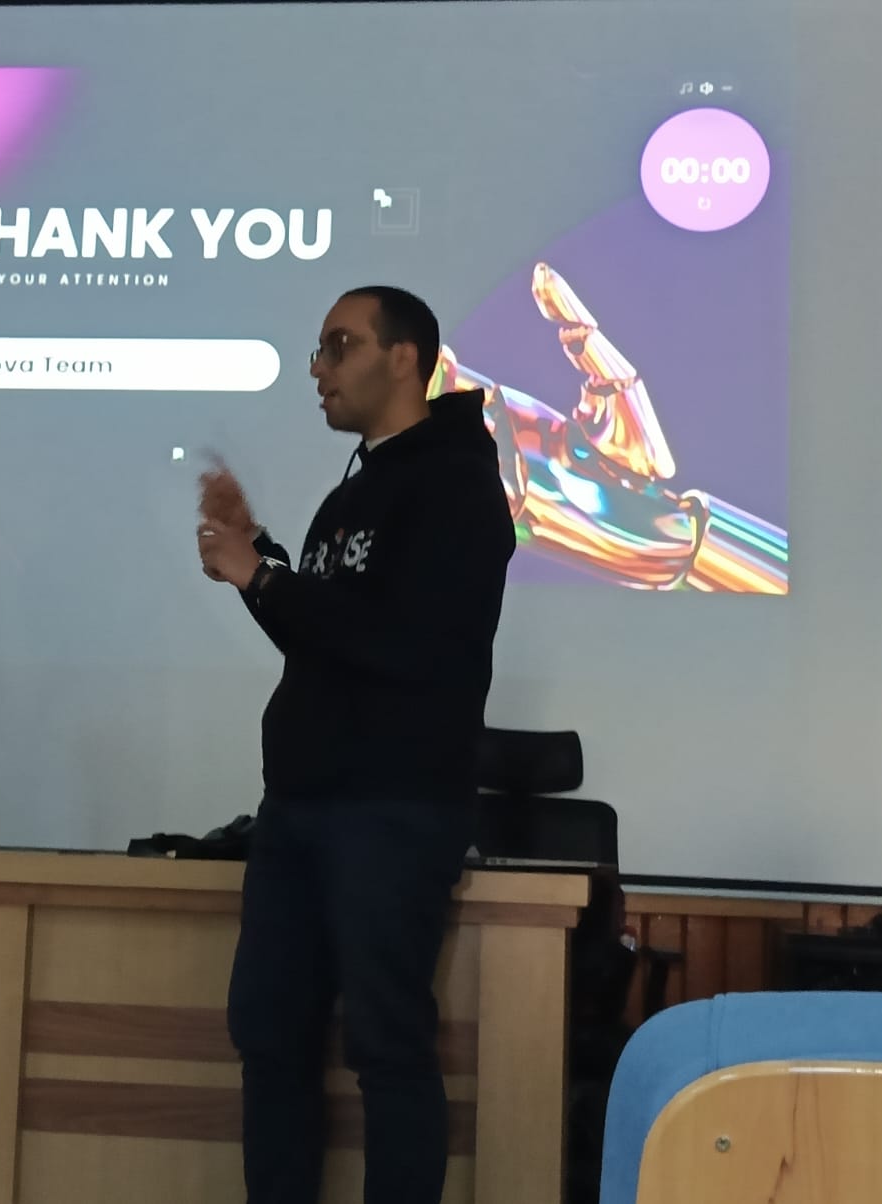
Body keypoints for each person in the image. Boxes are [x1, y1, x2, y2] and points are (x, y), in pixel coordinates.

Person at [196, 286, 514, 1204]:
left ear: (405, 358)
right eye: (318, 349)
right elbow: (328, 635)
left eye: (340, 345)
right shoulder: (354, 492)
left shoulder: (456, 484)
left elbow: (408, 643)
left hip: (394, 806)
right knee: (268, 1032)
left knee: (386, 1043)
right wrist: (258, 556)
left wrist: (262, 576)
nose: (318, 368)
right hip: (299, 806)